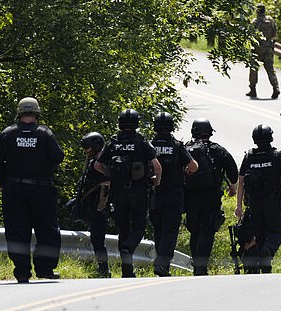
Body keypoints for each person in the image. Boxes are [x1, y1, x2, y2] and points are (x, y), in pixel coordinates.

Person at [0, 97, 65, 282]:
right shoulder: (45, 134)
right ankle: (45, 269)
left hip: (14, 189)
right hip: (41, 190)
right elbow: (58, 157)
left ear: (20, 113)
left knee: (17, 231)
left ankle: (22, 271)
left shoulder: (8, 133)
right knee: (47, 230)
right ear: (37, 114)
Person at [93, 109, 162, 278]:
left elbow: (97, 165)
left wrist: (111, 175)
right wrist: (156, 180)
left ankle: (127, 272)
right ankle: (128, 248)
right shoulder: (141, 142)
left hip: (118, 194)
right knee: (138, 229)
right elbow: (157, 166)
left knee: (123, 230)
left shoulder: (113, 142)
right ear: (137, 123)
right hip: (138, 193)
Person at [235, 124, 281, 273]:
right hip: (272, 202)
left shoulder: (249, 156)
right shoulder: (276, 156)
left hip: (254, 203)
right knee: (278, 232)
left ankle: (265, 268)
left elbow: (240, 182)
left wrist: (239, 206)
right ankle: (267, 252)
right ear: (271, 137)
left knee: (260, 235)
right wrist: (275, 178)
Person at [184, 118, 238, 276]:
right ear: (210, 132)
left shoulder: (187, 148)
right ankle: (202, 266)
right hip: (211, 198)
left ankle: (197, 265)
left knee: (194, 231)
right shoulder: (218, 150)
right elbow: (233, 172)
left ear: (193, 132)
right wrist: (231, 185)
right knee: (207, 230)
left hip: (191, 198)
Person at [149, 112, 198, 277]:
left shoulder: (149, 145)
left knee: (159, 230)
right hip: (174, 195)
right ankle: (162, 265)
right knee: (170, 231)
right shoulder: (177, 146)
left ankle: (161, 264)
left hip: (155, 194)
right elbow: (193, 166)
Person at [77, 131, 112, 278]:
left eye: (88, 147)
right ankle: (102, 268)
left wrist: (101, 207)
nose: (86, 150)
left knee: (97, 239)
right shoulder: (94, 161)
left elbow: (106, 186)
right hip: (93, 205)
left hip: (100, 207)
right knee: (96, 238)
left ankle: (104, 269)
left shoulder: (102, 163)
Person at [246, 4, 280, 99]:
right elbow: (274, 34)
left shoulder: (255, 22)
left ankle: (253, 89)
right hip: (268, 48)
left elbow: (249, 34)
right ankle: (276, 88)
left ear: (257, 11)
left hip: (257, 49)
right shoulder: (271, 20)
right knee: (270, 69)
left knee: (254, 69)